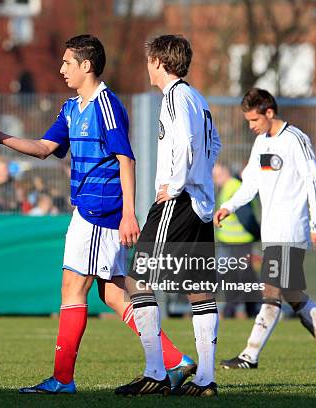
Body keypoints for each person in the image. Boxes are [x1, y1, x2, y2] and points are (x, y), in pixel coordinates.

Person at [0, 34, 193, 395]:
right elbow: (43, 148)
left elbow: (125, 158)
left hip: (100, 210)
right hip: (90, 209)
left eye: (68, 62)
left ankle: (62, 379)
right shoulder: (71, 107)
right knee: (113, 294)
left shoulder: (106, 105)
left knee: (72, 287)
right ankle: (174, 360)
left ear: (86, 66)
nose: (62, 68)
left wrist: (129, 212)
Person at [117, 34, 221, 397]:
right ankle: (205, 379)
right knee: (198, 290)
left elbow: (189, 144)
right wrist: (202, 180)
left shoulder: (175, 97)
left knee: (136, 280)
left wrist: (174, 186)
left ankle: (155, 373)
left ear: (159, 62)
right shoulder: (199, 99)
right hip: (200, 204)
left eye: (149, 61)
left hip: (178, 203)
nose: (147, 67)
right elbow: (214, 143)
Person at [215, 88, 316, 369]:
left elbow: (314, 181)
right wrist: (230, 206)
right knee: (292, 293)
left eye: (254, 120)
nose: (251, 126)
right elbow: (250, 183)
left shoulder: (295, 140)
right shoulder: (261, 143)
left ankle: (249, 355)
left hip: (291, 231)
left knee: (271, 291)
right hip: (271, 233)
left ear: (269, 113)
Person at [212, 162, 261, 318]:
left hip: (239, 241)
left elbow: (245, 215)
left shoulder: (233, 186)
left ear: (227, 172)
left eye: (218, 175)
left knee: (239, 275)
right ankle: (248, 309)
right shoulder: (229, 186)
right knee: (241, 275)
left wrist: (257, 233)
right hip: (230, 241)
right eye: (214, 176)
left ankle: (236, 309)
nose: (216, 179)